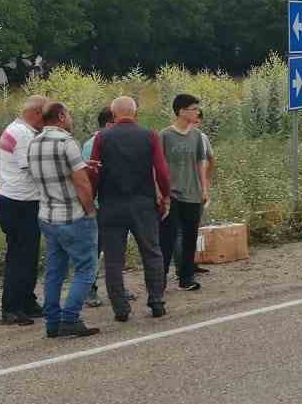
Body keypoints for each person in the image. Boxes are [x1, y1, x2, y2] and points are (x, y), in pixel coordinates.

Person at [91, 95, 171, 321]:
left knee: (114, 260)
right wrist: (166, 196)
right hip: (143, 204)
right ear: (135, 113)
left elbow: (94, 171)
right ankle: (156, 301)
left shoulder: (102, 137)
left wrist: (92, 198)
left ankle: (121, 309)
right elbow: (162, 170)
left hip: (111, 205)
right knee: (152, 252)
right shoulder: (149, 135)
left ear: (113, 114)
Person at [28, 102, 100, 338]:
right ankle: (70, 318)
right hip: (72, 216)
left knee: (54, 271)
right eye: (68, 114)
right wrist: (90, 210)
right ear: (60, 116)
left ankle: (52, 322)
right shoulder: (67, 142)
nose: (71, 118)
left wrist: (82, 165)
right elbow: (81, 183)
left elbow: (52, 172)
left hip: (47, 215)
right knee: (86, 268)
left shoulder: (34, 142)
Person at [0, 93, 49, 326]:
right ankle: (11, 307)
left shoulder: (18, 129)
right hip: (20, 203)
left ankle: (26, 300)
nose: (47, 121)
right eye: (46, 116)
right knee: (20, 257)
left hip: (16, 201)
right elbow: (34, 168)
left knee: (27, 255)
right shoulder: (24, 134)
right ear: (36, 113)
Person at [159, 95, 212, 292]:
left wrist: (204, 188)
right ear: (181, 111)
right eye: (193, 108)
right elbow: (157, 165)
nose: (197, 112)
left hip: (193, 193)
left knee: (190, 238)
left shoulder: (197, 135)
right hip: (171, 195)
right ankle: (160, 279)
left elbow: (201, 162)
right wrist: (160, 192)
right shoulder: (164, 135)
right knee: (167, 239)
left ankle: (186, 277)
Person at [81, 107, 114, 309]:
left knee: (114, 248)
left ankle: (115, 288)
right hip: (98, 206)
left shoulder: (112, 141)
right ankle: (89, 290)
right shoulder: (91, 144)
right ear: (109, 124)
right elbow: (87, 177)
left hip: (113, 204)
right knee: (95, 248)